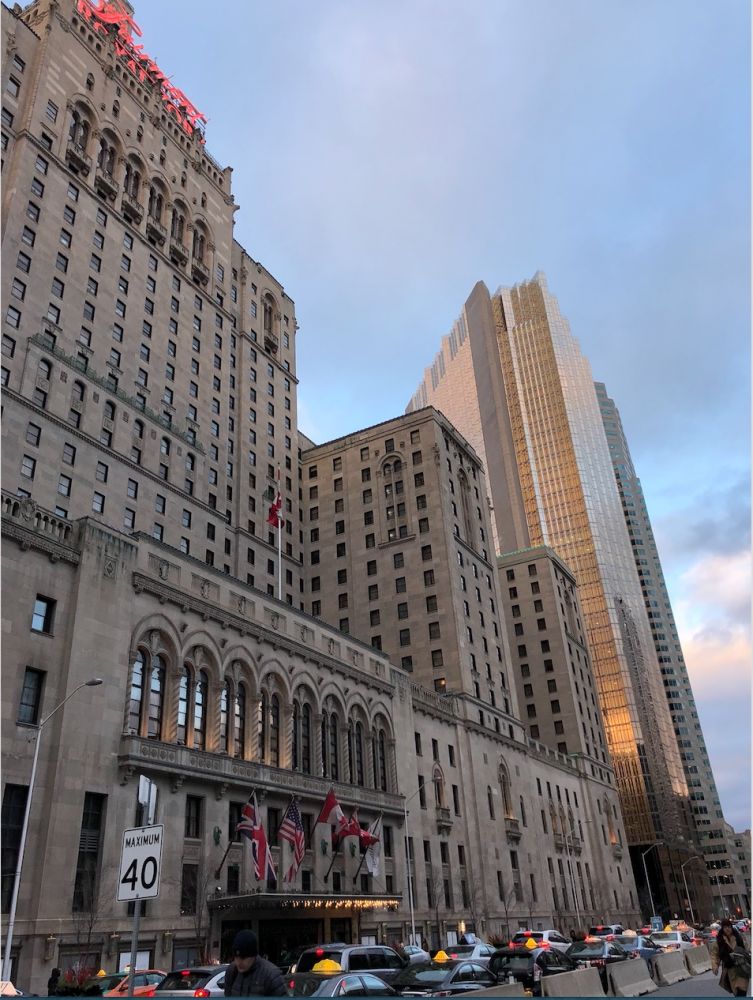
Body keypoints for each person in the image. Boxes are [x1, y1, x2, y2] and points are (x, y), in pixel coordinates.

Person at [223, 929, 286, 996]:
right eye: (236, 957)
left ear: (253, 955)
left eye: (243, 958)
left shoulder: (271, 975)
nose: (239, 962)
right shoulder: (232, 971)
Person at [711, 917, 750, 996]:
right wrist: (715, 966)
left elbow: (747, 949)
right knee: (736, 991)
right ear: (722, 929)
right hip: (730, 970)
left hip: (742, 968)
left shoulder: (738, 938)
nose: (727, 929)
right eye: (725, 927)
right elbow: (715, 955)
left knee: (742, 990)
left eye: (729, 927)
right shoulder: (719, 941)